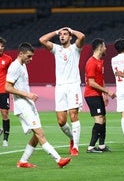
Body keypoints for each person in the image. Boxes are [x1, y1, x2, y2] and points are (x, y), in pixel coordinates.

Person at [5, 42, 71, 168]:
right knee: (40, 133)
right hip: (22, 105)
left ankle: (23, 161)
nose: (31, 59)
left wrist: (28, 96)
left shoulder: (22, 65)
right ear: (21, 53)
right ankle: (58, 159)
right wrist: (27, 94)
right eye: (29, 56)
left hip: (28, 103)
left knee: (36, 136)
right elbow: (7, 87)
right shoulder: (14, 67)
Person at [39, 27, 85, 156]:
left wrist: (71, 30)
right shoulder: (56, 49)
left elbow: (81, 37)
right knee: (61, 121)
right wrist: (55, 31)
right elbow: (42, 40)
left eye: (65, 34)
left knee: (74, 115)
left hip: (73, 86)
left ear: (70, 37)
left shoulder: (76, 48)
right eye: (61, 35)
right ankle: (72, 138)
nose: (62, 36)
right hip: (60, 87)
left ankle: (75, 146)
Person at [84, 38, 116, 153]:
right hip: (91, 94)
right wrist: (107, 91)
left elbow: (100, 79)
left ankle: (101, 145)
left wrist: (105, 95)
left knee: (103, 118)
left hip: (97, 94)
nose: (106, 48)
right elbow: (91, 82)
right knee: (99, 119)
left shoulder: (100, 61)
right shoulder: (91, 62)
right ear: (100, 48)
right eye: (104, 46)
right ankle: (91, 147)